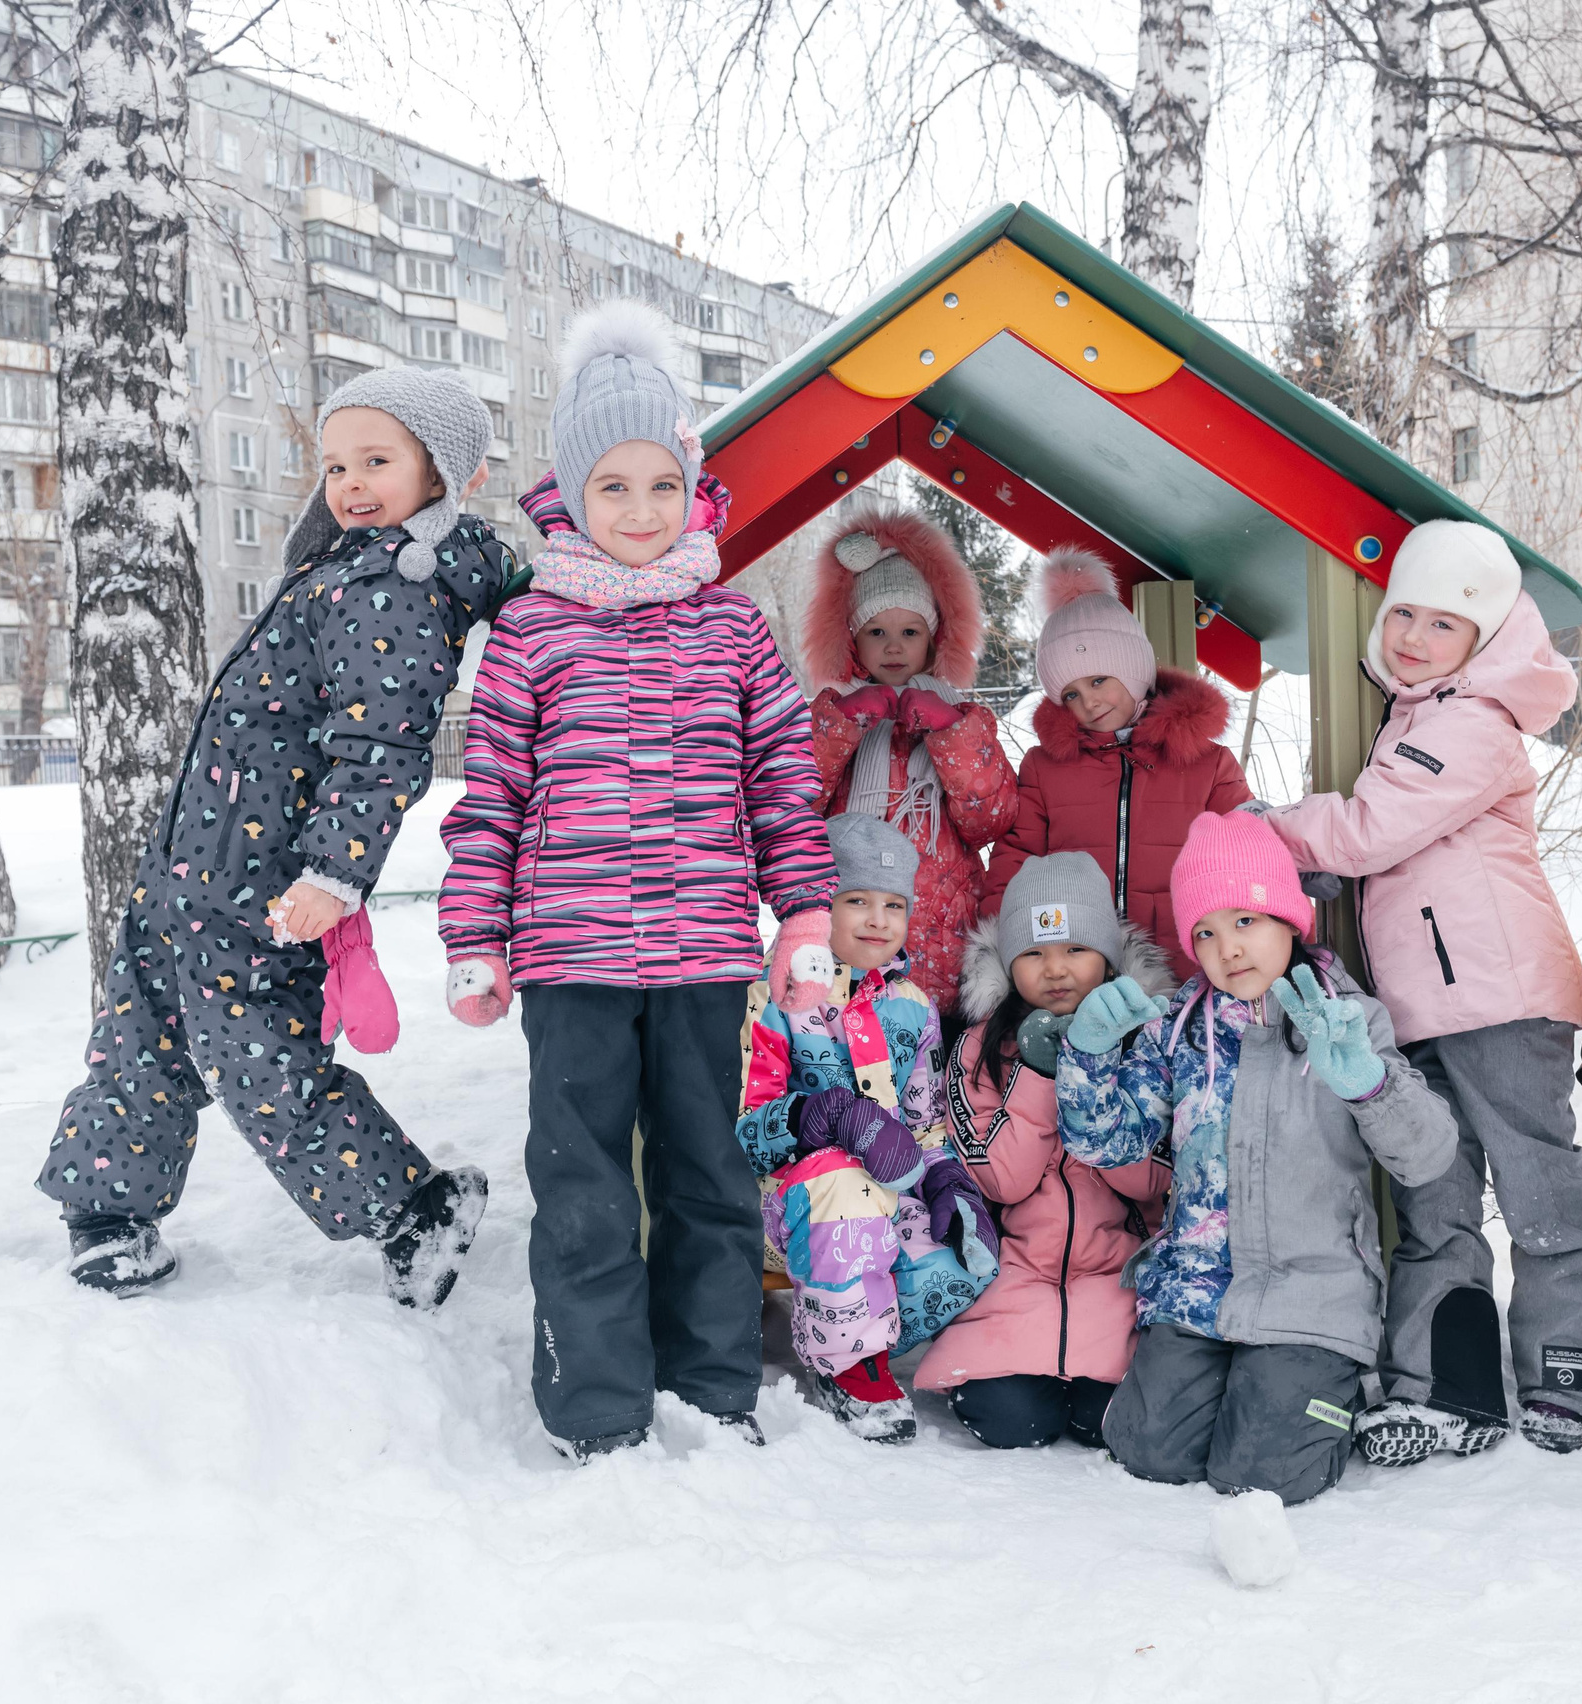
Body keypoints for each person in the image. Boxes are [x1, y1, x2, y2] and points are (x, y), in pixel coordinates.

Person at [438, 303, 839, 1461]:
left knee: (709, 1172)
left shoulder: (733, 630)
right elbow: (492, 798)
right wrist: (478, 934)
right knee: (581, 1184)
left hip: (706, 953)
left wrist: (801, 913)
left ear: (694, 491)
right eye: (612, 487)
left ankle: (713, 1386)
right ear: (571, 492)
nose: (639, 511)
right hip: (572, 960)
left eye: (660, 485)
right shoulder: (528, 631)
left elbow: (778, 783)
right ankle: (596, 1403)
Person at [36, 368, 511, 1306]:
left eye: (377, 460)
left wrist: (336, 871)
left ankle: (410, 1211)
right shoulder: (340, 571)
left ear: (445, 473)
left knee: (260, 1058)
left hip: (263, 881)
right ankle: (111, 1209)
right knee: (140, 1035)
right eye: (337, 464)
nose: (351, 483)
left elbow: (382, 748)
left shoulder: (396, 589)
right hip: (191, 866)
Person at [1264, 520, 1582, 1464]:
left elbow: (1376, 829)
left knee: (1541, 1189)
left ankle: (1568, 1375)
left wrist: (1273, 831)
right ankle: (1447, 1385)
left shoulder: (1471, 722)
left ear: (1484, 643)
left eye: (1444, 626)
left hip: (1502, 1003)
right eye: (1404, 617)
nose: (1415, 639)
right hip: (1436, 1005)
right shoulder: (1416, 719)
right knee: (1436, 1201)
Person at [1059, 812, 1456, 1584]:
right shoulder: (1181, 1029)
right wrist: (1087, 1056)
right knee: (1147, 1450)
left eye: (1243, 920)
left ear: (1288, 917)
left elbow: (1428, 1155)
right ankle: (1237, 1395)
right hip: (1198, 1292)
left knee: (1265, 1469)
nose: (1226, 947)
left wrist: (1365, 1082)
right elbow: (1109, 1142)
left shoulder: (1349, 1020)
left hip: (1310, 1294)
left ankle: (1340, 1397)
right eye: (1204, 932)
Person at [734, 814, 999, 1443]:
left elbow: (926, 1124)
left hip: (882, 1200)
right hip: (783, 1204)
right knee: (845, 1188)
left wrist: (947, 1184)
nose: (878, 919)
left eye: (893, 904)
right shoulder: (774, 995)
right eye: (856, 901)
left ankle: (850, 1324)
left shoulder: (911, 1005)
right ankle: (849, 1365)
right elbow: (745, 1131)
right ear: (819, 907)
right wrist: (817, 1116)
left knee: (960, 1248)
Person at [916, 852, 1177, 1450]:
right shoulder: (979, 1048)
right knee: (1013, 1421)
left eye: (1076, 950)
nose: (1056, 970)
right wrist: (1035, 1073)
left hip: (1120, 1281)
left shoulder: (1150, 1041)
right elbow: (1000, 1180)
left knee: (1102, 1422)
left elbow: (1152, 1181)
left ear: (1109, 959)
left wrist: (1090, 1072)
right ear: (1008, 965)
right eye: (1033, 953)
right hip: (1012, 1282)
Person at [982, 550, 1251, 973]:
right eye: (1070, 693)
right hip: (1076, 970)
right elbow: (1016, 859)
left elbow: (1246, 856)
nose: (1088, 701)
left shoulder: (1206, 763)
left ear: (1133, 669)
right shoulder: (1045, 767)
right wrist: (1000, 949)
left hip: (1186, 966)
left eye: (1098, 680)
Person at [797, 505, 1017, 1014]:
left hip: (941, 939)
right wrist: (842, 723)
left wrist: (951, 731)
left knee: (925, 1066)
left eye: (910, 632)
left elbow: (991, 819)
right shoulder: (831, 717)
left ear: (935, 638)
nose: (893, 647)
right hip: (848, 935)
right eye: (876, 632)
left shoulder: (966, 720)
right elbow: (797, 797)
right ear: (852, 640)